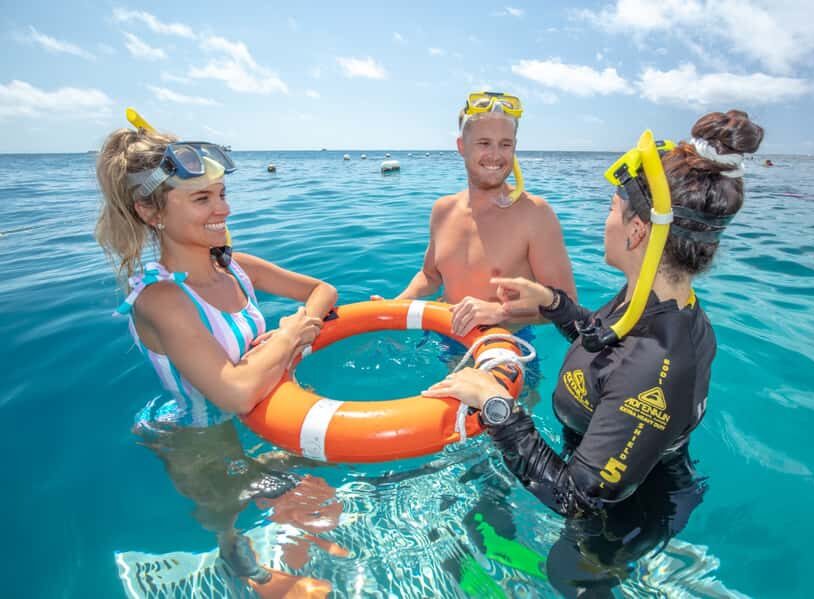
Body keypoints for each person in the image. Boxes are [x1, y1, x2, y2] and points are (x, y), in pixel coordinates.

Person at [424, 110, 764, 595]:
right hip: (609, 464)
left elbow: (574, 497)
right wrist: (554, 304)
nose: (604, 221)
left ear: (637, 231)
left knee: (566, 575)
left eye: (611, 209)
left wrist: (495, 405)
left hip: (620, 521)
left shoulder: (657, 362)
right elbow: (609, 341)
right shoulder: (652, 300)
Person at [95, 127, 337, 586]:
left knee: (319, 455)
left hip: (256, 406)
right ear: (150, 211)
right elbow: (236, 392)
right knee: (225, 511)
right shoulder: (161, 300)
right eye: (202, 198)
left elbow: (323, 290)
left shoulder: (235, 267)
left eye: (222, 193)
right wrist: (290, 334)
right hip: (197, 437)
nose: (223, 209)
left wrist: (303, 327)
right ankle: (231, 551)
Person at [392, 91, 576, 337]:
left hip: (506, 345)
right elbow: (430, 276)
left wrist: (500, 311)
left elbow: (568, 306)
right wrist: (396, 305)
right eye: (484, 143)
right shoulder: (443, 210)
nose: (495, 155)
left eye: (505, 144)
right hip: (444, 336)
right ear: (461, 147)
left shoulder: (534, 214)